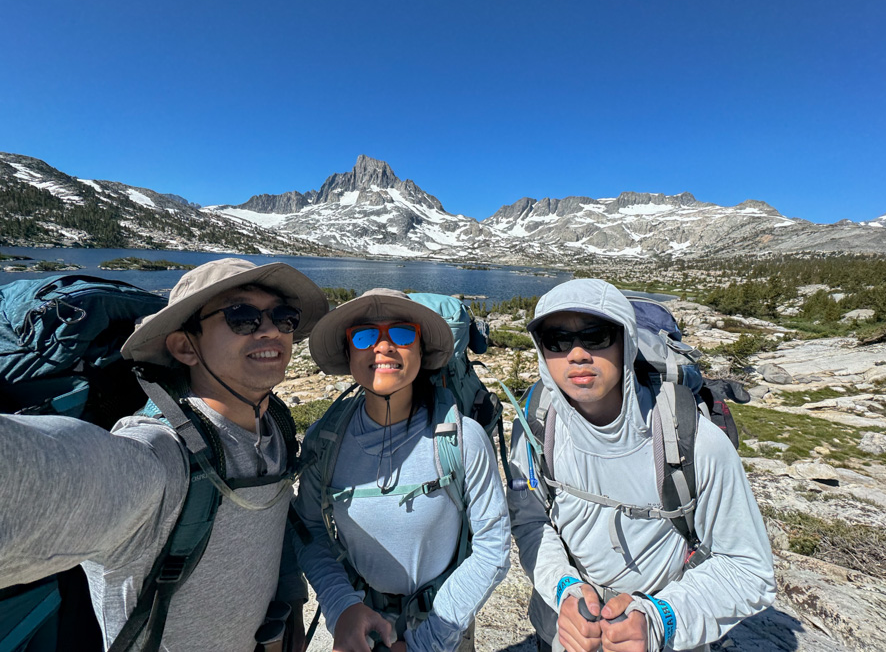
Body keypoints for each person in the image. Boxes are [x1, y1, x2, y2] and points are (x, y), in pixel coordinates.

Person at [0, 258, 329, 651]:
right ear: (185, 346)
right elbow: (58, 472)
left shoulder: (274, 423)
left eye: (284, 316)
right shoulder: (161, 456)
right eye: (243, 316)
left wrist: (289, 607)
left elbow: (274, 523)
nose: (272, 329)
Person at [508, 279, 775, 652]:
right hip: (564, 634)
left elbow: (748, 570)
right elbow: (531, 523)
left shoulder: (693, 441)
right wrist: (564, 590)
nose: (577, 354)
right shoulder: (535, 429)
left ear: (626, 342)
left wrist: (659, 619)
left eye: (597, 336)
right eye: (557, 340)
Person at [296, 288, 511, 652]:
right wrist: (342, 607)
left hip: (444, 628)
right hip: (360, 624)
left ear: (422, 349)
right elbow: (309, 530)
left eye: (401, 333)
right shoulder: (325, 441)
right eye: (363, 336)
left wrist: (429, 640)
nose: (383, 347)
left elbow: (493, 546)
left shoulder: (463, 438)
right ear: (349, 353)